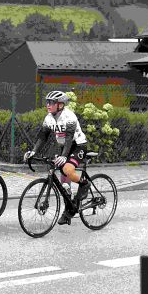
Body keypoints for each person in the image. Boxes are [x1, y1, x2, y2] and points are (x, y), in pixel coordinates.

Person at [23, 90, 89, 226]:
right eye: (47, 102)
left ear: (60, 105)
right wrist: (33, 152)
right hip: (64, 147)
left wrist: (64, 156)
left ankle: (84, 184)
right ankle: (69, 210)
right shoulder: (48, 118)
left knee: (67, 170)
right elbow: (43, 137)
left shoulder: (69, 116)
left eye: (51, 102)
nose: (48, 105)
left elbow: (69, 138)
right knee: (64, 184)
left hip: (78, 146)